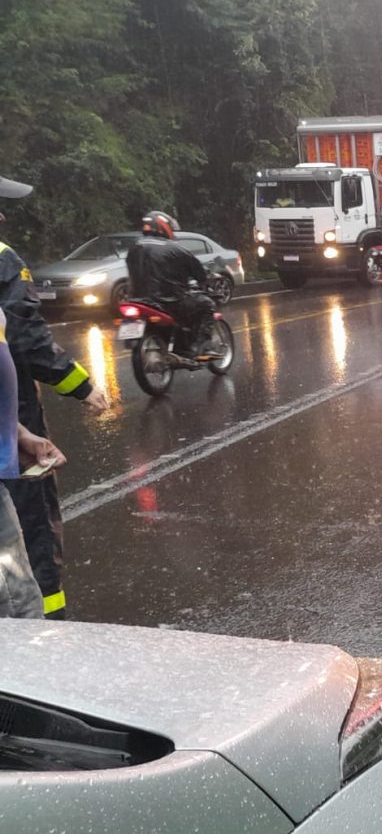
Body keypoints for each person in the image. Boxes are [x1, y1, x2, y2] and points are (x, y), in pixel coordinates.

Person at [0, 175, 107, 619]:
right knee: (31, 537)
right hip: (10, 420)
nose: (3, 216)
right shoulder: (3, 259)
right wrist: (82, 384)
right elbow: (26, 339)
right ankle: (49, 644)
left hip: (12, 426)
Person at [125, 211, 218, 357]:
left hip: (136, 300)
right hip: (168, 301)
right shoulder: (175, 249)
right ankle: (203, 348)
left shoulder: (134, 248)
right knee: (207, 305)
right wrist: (205, 282)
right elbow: (198, 271)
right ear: (164, 227)